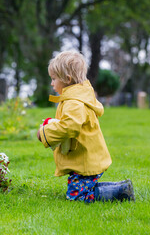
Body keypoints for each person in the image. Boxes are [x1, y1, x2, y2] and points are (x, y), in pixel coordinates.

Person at [37, 50, 135, 203]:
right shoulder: (76, 97)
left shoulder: (74, 102)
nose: (52, 83)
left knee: (76, 197)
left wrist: (45, 133)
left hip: (85, 158)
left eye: (54, 79)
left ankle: (121, 192)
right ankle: (121, 186)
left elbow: (69, 127)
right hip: (86, 156)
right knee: (82, 188)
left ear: (67, 79)